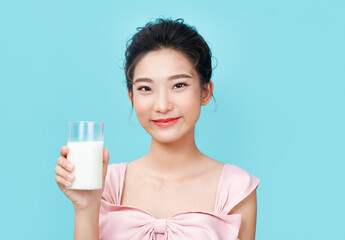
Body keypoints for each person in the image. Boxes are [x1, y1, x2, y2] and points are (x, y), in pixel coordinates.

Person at [55, 18, 260, 240]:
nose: (162, 105)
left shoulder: (236, 188)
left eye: (179, 85)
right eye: (145, 88)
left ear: (205, 92)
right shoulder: (106, 183)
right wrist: (86, 208)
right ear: (131, 96)